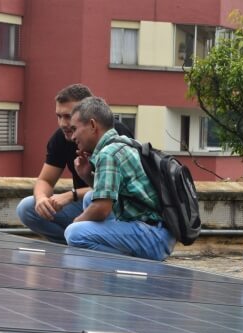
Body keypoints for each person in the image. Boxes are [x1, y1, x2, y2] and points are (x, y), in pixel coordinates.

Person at [16, 84, 133, 243]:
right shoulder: (60, 138)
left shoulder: (114, 135)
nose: (63, 124)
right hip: (86, 203)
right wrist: (42, 199)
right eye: (59, 116)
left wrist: (71, 195)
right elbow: (45, 180)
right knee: (27, 208)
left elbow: (112, 192)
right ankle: (72, 243)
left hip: (116, 208)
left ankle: (87, 239)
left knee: (91, 199)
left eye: (68, 116)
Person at [63, 97, 174, 261]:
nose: (72, 137)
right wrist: (87, 175)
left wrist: (75, 222)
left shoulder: (108, 154)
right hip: (159, 233)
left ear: (93, 125)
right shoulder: (126, 143)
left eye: (75, 128)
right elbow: (113, 193)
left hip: (152, 237)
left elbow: (102, 209)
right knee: (89, 198)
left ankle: (133, 264)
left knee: (74, 233)